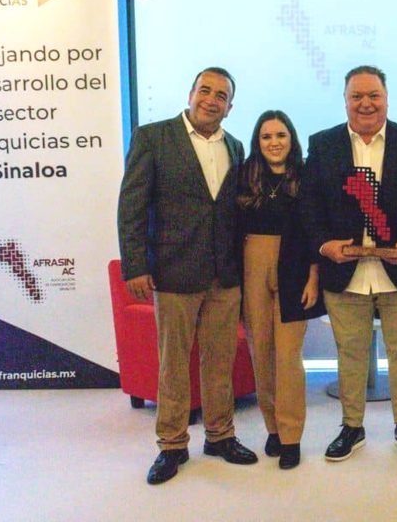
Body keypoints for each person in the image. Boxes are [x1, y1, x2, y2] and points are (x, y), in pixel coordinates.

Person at [117, 67, 258, 485]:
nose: (211, 100)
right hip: (173, 270)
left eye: (221, 96)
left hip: (223, 275)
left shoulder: (235, 147)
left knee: (220, 360)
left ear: (229, 107)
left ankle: (220, 435)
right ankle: (172, 444)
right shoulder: (153, 137)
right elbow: (131, 207)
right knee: (174, 363)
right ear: (191, 93)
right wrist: (136, 265)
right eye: (205, 91)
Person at [300, 65, 397, 462]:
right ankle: (352, 427)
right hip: (345, 271)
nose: (366, 103)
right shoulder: (323, 144)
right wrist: (324, 245)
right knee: (350, 353)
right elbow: (310, 205)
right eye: (357, 96)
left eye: (374, 95)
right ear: (345, 101)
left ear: (386, 98)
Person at [237, 110, 326, 470]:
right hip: (252, 264)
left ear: (292, 139)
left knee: (288, 357)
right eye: (266, 136)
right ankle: (272, 428)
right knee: (261, 352)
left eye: (280, 135)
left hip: (296, 267)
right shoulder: (244, 176)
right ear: (257, 142)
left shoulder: (307, 176)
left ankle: (291, 436)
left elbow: (317, 229)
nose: (274, 142)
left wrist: (314, 277)